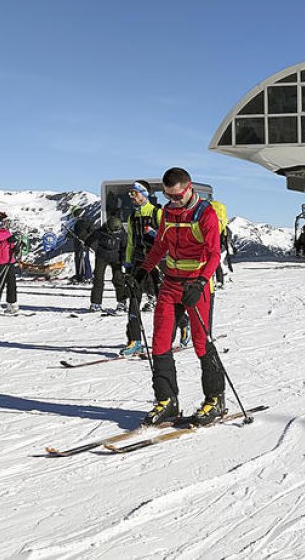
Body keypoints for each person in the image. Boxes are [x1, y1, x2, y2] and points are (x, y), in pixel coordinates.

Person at [129, 167, 225, 426]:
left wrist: (202, 281)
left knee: (200, 342)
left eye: (177, 196)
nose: (173, 201)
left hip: (197, 285)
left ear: (189, 187)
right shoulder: (168, 212)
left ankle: (215, 399)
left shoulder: (206, 213)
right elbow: (160, 245)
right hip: (171, 284)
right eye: (168, 196)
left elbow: (215, 253)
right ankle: (167, 401)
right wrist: (142, 271)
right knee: (160, 341)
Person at [122, 181, 164, 356]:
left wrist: (155, 233)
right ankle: (135, 340)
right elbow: (131, 241)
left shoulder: (157, 213)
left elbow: (169, 237)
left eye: (135, 193)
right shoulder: (132, 217)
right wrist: (128, 262)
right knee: (133, 298)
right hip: (138, 262)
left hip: (157, 262)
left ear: (144, 194)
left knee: (163, 300)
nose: (132, 197)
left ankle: (183, 325)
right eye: (130, 194)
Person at [87, 216, 127, 314]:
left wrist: (124, 259)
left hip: (116, 257)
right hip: (102, 257)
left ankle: (122, 302)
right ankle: (95, 303)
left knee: (119, 279)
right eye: (113, 232)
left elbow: (124, 246)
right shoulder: (100, 231)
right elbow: (88, 241)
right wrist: (94, 247)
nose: (115, 233)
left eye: (116, 232)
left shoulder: (122, 233)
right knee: (98, 279)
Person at [0, 211, 21, 315]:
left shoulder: (6, 232)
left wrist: (16, 247)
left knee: (12, 283)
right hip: (0, 261)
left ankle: (12, 303)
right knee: (0, 282)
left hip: (9, 260)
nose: (6, 224)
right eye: (4, 222)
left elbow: (9, 245)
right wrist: (8, 241)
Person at [70, 206, 94, 284]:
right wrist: (70, 235)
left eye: (75, 214)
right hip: (77, 244)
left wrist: (85, 239)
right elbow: (76, 233)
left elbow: (91, 232)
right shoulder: (78, 222)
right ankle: (79, 275)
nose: (75, 216)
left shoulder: (86, 221)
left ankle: (88, 276)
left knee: (84, 259)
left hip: (84, 244)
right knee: (78, 259)